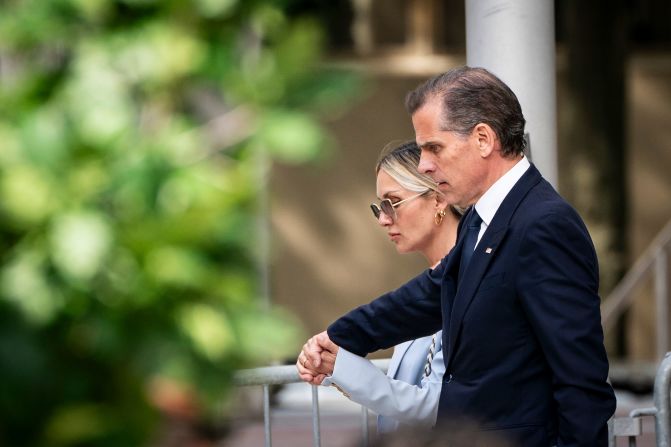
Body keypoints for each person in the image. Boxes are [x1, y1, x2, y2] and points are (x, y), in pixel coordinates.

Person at [297, 66, 616, 446]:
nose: (424, 165)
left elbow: (581, 381)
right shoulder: (480, 219)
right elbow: (428, 295)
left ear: (483, 139)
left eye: (434, 147)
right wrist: (338, 337)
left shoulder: (544, 224)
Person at [298, 141, 461, 433]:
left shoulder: (467, 283)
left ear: (438, 200)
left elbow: (434, 406)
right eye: (379, 207)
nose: (383, 220)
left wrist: (341, 368)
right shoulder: (421, 294)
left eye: (392, 203)